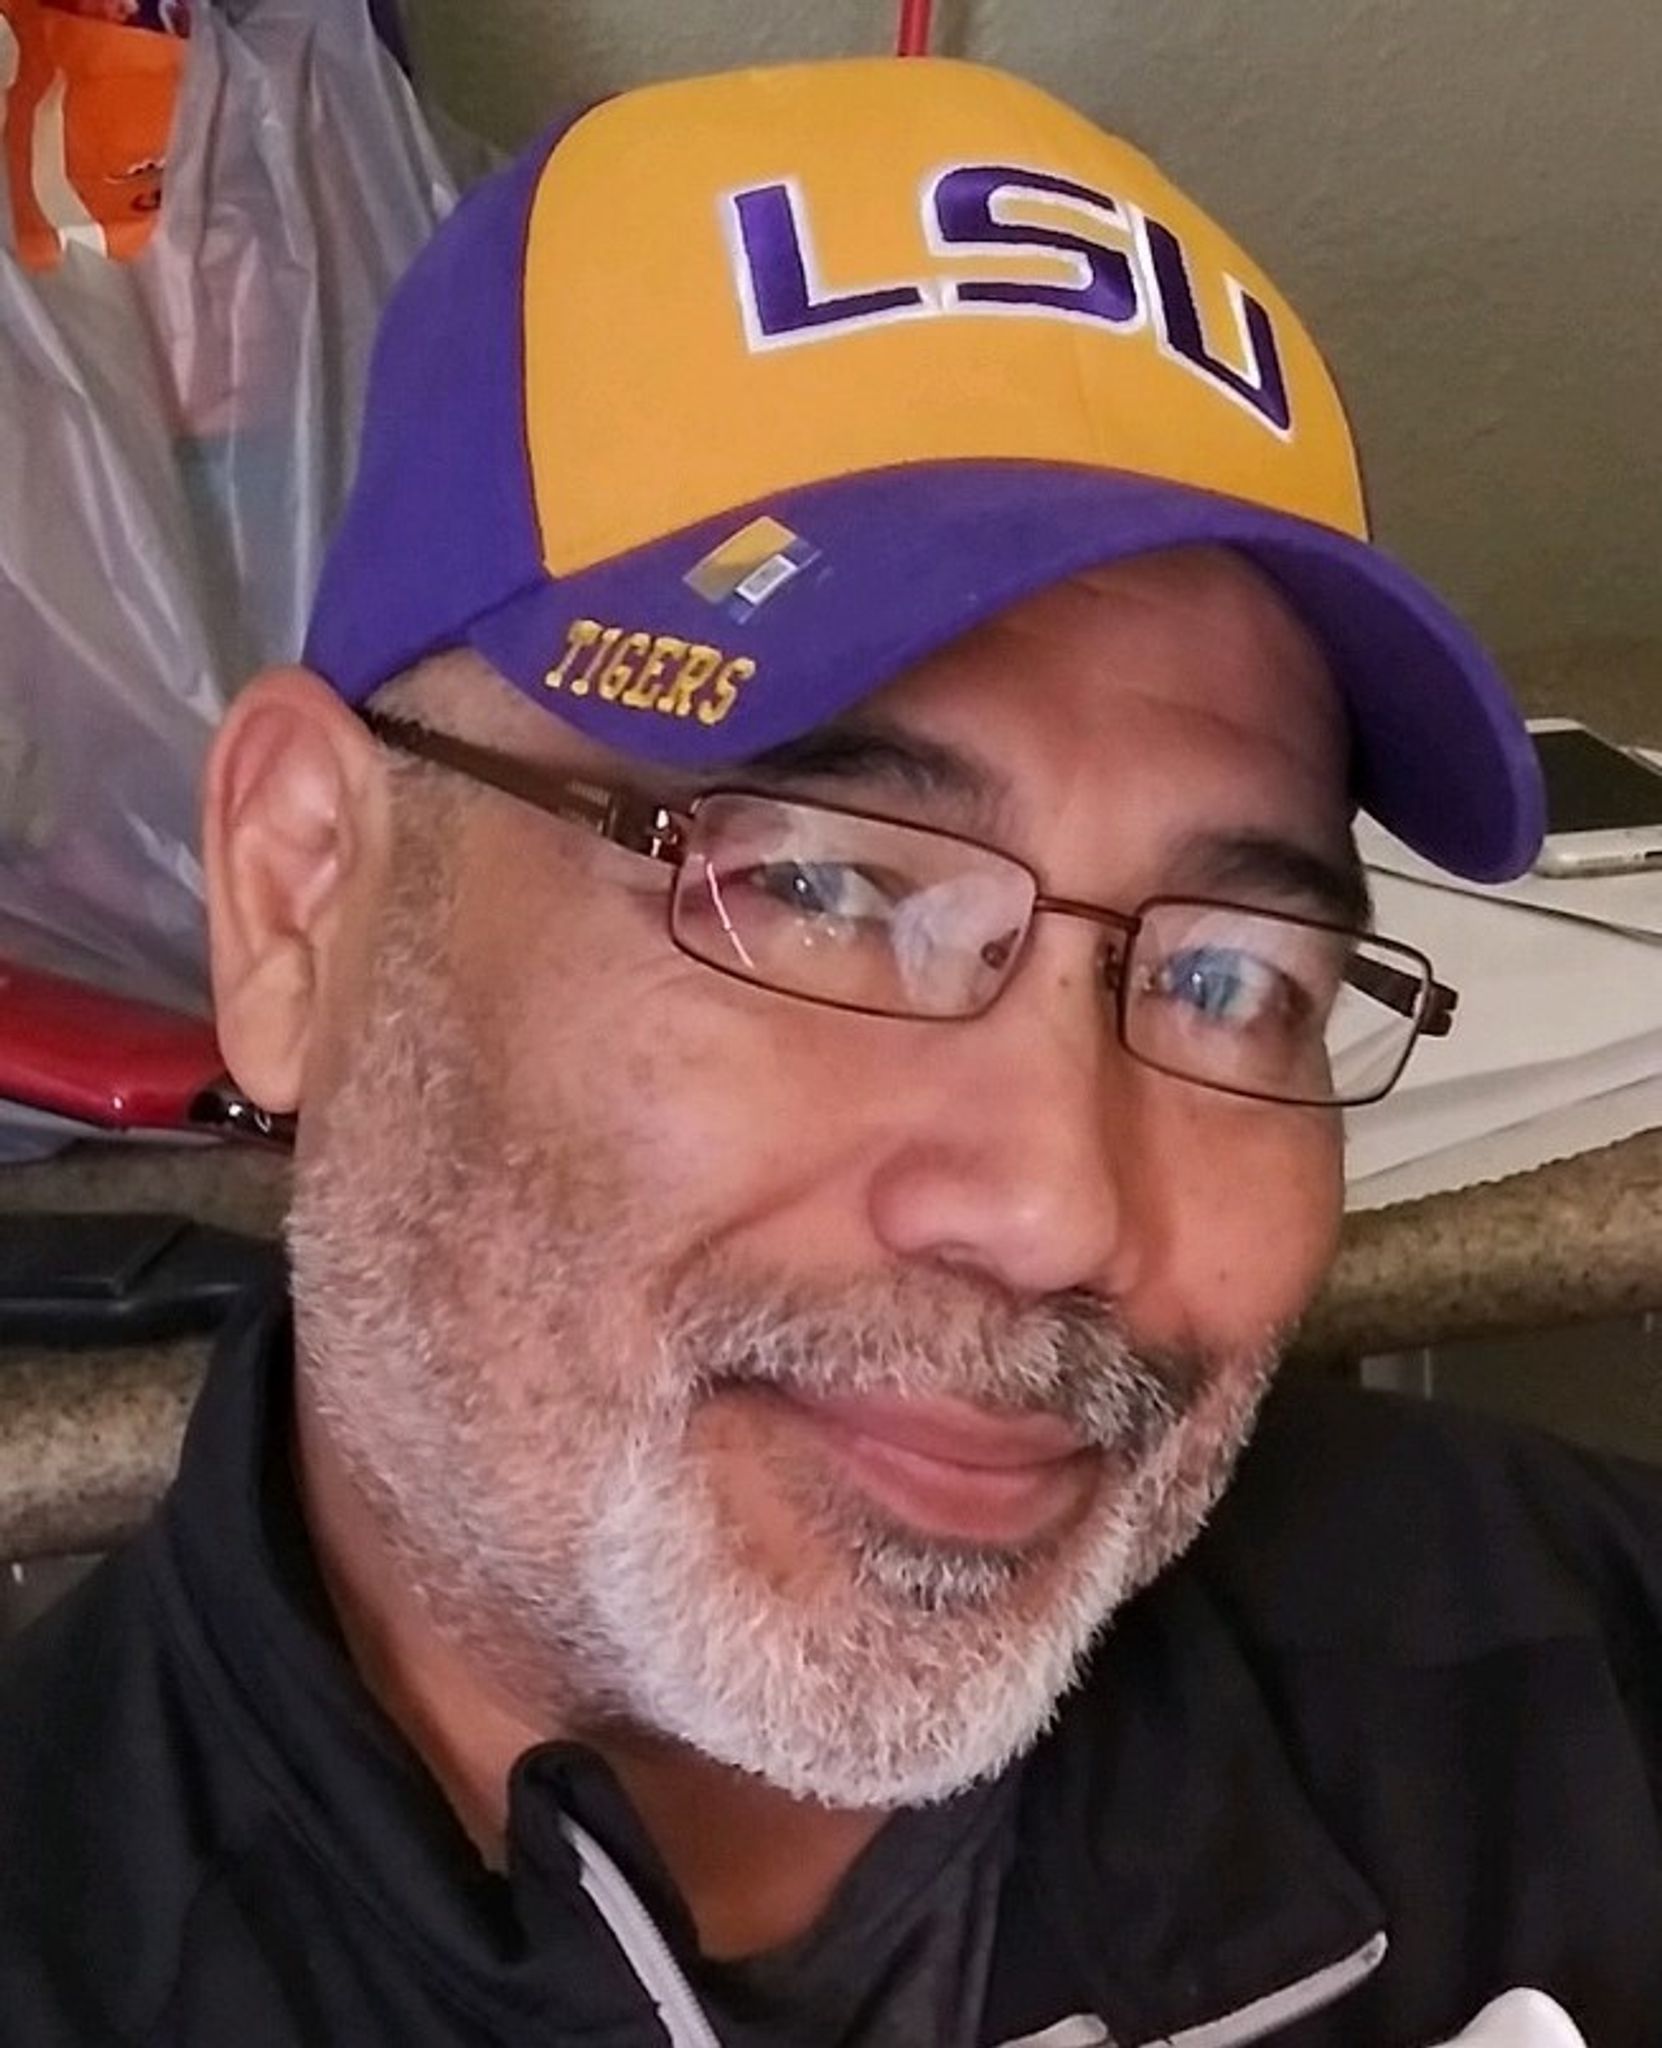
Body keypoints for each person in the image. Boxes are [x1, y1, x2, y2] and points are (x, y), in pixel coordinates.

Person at [0, 53, 1655, 2048]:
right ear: (303, 895)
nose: (1056, 1209)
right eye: (821, 887)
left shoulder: (1570, 1696)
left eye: (1229, 977)